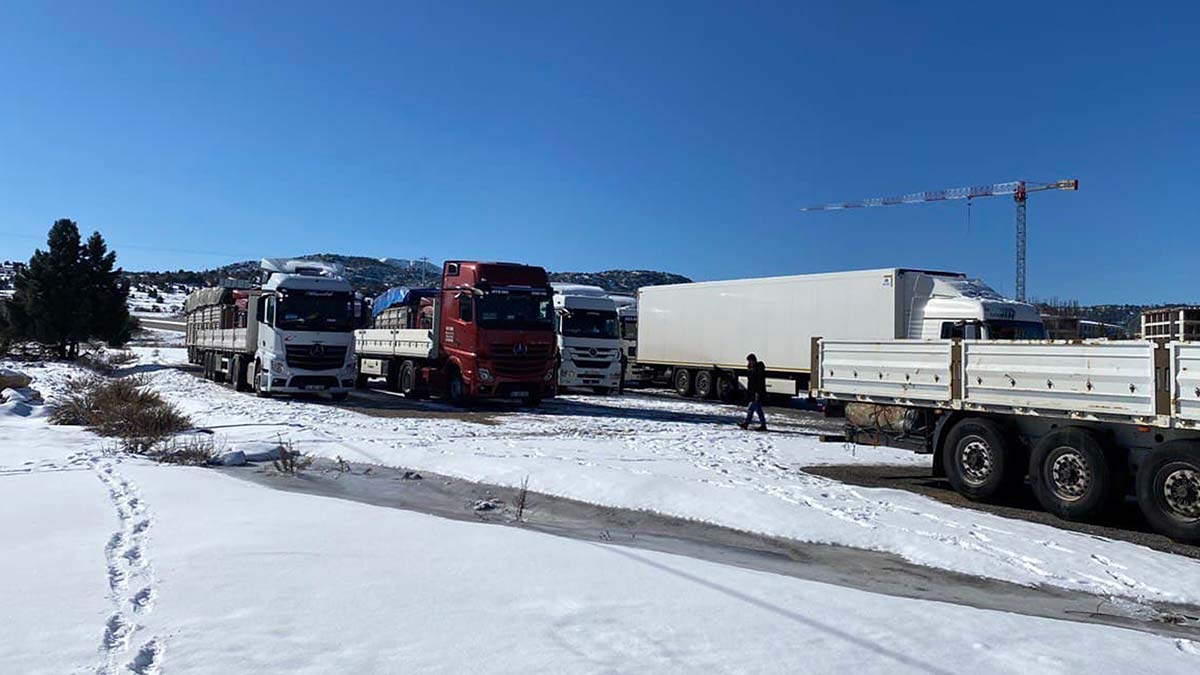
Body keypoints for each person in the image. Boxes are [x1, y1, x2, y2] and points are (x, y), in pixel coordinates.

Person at [738, 353, 767, 431]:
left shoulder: (758, 369)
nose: (749, 363)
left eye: (750, 361)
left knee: (751, 408)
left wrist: (757, 393)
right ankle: (762, 425)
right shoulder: (754, 368)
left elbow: (758, 382)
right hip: (754, 392)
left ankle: (746, 423)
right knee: (758, 410)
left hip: (757, 392)